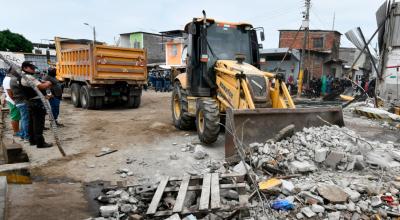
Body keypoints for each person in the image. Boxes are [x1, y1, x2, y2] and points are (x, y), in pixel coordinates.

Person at [15, 61, 53, 148]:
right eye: (31, 67)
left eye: (33, 67)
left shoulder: (20, 77)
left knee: (31, 122)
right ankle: (40, 143)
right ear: (25, 68)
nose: (33, 69)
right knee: (38, 123)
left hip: (30, 102)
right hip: (36, 102)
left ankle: (32, 140)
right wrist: (49, 83)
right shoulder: (28, 77)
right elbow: (42, 86)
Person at [2, 68, 21, 137]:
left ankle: (17, 130)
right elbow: (9, 91)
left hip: (13, 100)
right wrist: (15, 101)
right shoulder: (8, 79)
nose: (18, 71)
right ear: (12, 71)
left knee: (17, 116)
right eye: (16, 70)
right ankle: (16, 132)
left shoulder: (9, 78)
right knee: (15, 117)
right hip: (13, 100)